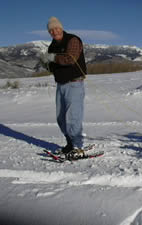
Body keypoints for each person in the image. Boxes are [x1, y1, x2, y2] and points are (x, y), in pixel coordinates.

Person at [40, 17, 87, 154]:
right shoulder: (52, 46)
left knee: (73, 117)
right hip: (61, 85)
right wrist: (46, 64)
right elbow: (53, 67)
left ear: (61, 28)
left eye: (56, 28)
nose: (54, 32)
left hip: (74, 84)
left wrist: (53, 58)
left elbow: (71, 58)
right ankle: (70, 143)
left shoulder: (72, 40)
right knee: (60, 117)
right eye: (51, 30)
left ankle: (78, 146)